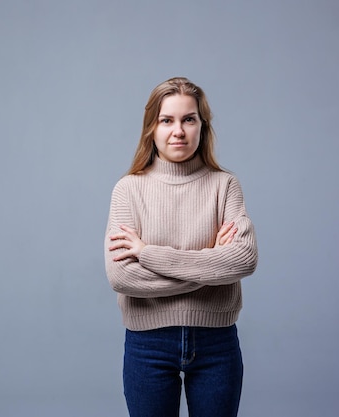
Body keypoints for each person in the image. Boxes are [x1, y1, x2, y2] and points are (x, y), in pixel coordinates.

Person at [104, 77, 258, 417]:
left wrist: (147, 253)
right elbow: (122, 277)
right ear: (151, 129)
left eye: (189, 119)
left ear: (202, 126)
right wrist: (212, 266)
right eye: (167, 120)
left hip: (216, 343)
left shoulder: (225, 186)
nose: (179, 130)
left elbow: (244, 259)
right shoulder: (128, 190)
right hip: (148, 345)